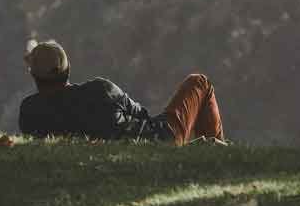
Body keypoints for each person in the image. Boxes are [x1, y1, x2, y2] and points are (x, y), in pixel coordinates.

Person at [18, 40, 225, 145]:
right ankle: (220, 152)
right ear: (67, 68)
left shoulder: (29, 111)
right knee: (199, 83)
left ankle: (211, 149)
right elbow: (142, 115)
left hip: (138, 148)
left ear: (34, 75)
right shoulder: (100, 90)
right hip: (159, 139)